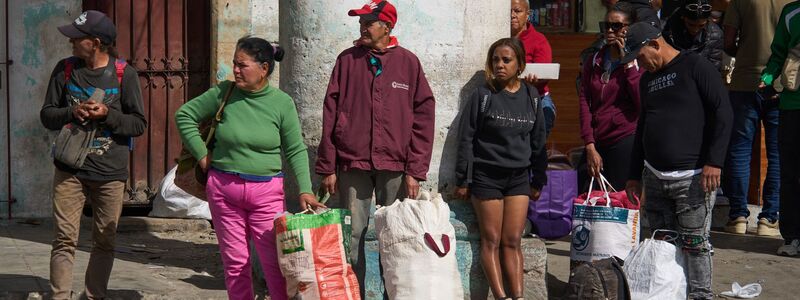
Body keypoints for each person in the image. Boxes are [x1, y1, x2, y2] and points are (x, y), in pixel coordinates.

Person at [176, 36, 325, 300]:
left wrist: (305, 189)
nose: (235, 70)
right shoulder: (224, 93)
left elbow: (295, 149)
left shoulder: (281, 103)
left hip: (266, 194)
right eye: (234, 64)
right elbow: (184, 115)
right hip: (223, 191)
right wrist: (202, 156)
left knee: (276, 265)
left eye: (242, 65)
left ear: (264, 68)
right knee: (236, 264)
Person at [315, 0, 436, 291]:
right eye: (361, 22)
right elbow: (330, 114)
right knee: (352, 235)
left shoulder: (408, 62)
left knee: (395, 237)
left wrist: (415, 171)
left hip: (395, 166)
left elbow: (424, 115)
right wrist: (328, 166)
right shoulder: (347, 60)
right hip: (352, 162)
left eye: (369, 22)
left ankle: (393, 294)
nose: (362, 27)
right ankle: (354, 293)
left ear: (387, 26)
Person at [40, 10, 147, 299]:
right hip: (69, 170)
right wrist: (72, 111)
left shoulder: (126, 74)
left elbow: (138, 123)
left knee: (104, 241)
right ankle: (59, 295)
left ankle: (93, 294)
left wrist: (107, 115)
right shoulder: (64, 70)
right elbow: (47, 115)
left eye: (77, 38)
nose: (71, 42)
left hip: (110, 174)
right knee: (64, 240)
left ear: (95, 42)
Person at [623, 22, 733, 300]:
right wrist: (634, 174)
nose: (640, 64)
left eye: (640, 57)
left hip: (694, 176)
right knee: (662, 241)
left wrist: (715, 162)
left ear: (655, 44)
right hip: (654, 175)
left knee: (695, 243)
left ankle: (700, 295)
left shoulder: (696, 66)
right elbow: (642, 127)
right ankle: (670, 293)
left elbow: (724, 113)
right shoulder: (647, 80)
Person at [454, 38, 548, 300]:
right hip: (487, 178)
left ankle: (517, 296)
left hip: (519, 177)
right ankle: (501, 296)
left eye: (506, 60)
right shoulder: (483, 96)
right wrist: (462, 179)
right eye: (495, 59)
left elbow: (539, 141)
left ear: (520, 64)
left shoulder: (532, 96)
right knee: (491, 241)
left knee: (512, 241)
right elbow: (466, 138)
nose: (499, 65)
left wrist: (538, 179)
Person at [721, 0, 791, 236]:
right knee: (777, 153)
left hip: (744, 81)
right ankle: (769, 218)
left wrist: (743, 50)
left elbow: (728, 42)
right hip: (781, 84)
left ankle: (738, 216)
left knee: (739, 149)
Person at [579, 5, 645, 191]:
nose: (609, 30)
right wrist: (589, 144)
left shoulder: (641, 60)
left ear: (629, 28)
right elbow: (584, 101)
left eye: (615, 26)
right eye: (605, 25)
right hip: (597, 138)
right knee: (587, 194)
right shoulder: (595, 59)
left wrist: (628, 64)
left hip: (624, 138)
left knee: (621, 198)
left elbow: (641, 102)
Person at [759, 0, 800, 256]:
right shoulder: (791, 11)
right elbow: (778, 53)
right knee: (791, 172)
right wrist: (766, 79)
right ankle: (793, 237)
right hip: (792, 104)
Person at [512, 0, 556, 136]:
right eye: (508, 12)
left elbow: (544, 73)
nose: (512, 15)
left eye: (517, 11)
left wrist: (534, 80)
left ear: (528, 14)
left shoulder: (538, 40)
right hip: (507, 100)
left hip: (537, 98)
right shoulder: (498, 37)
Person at [662, 0, 724, 70]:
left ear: (707, 20)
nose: (695, 30)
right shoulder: (668, 30)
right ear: (683, 17)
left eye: (701, 25)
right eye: (691, 24)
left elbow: (714, 68)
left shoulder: (716, 35)